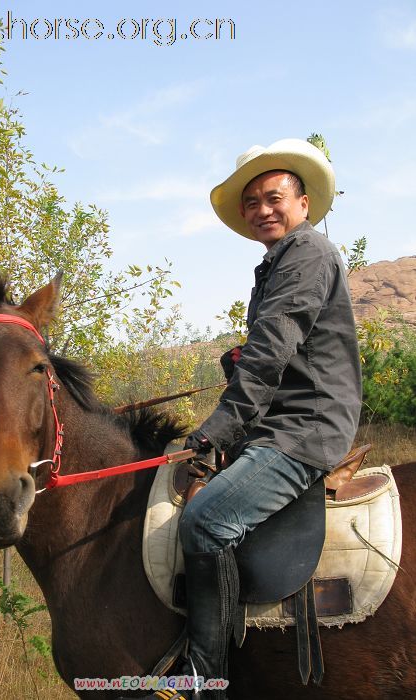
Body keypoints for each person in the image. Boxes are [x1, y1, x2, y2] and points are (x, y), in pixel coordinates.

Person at [124, 138, 362, 700]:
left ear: (303, 204)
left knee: (204, 522)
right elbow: (270, 355)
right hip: (283, 422)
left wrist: (211, 434)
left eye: (274, 197)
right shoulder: (276, 264)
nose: (263, 209)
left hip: (306, 429)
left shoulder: (308, 254)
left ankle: (206, 678)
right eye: (252, 202)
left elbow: (271, 352)